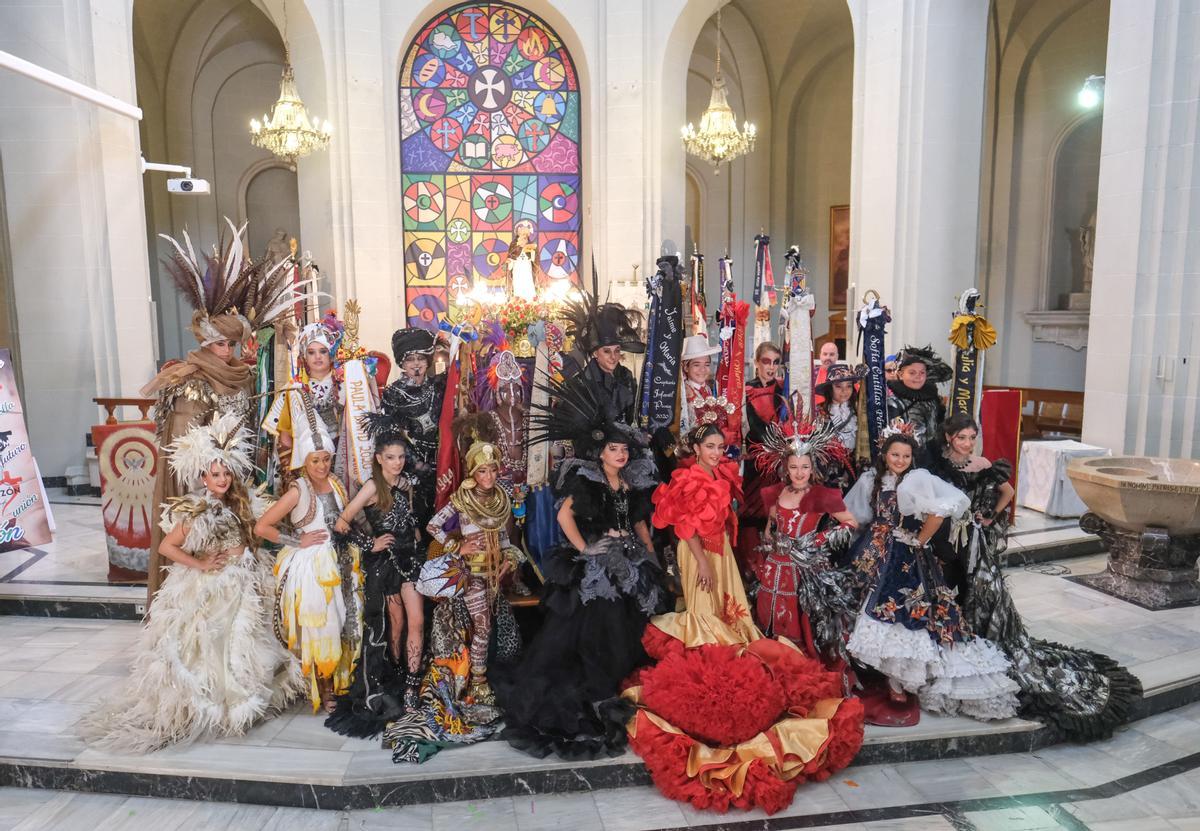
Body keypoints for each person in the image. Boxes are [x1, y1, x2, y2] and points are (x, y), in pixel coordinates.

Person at [624, 417, 864, 815]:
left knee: (730, 616)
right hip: (701, 554)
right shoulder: (688, 480)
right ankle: (705, 689)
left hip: (721, 554)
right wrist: (700, 562)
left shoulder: (719, 475)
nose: (718, 453)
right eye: (711, 447)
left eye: (722, 447)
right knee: (704, 615)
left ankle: (726, 682)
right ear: (696, 450)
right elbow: (684, 529)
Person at [81, 415, 301, 752]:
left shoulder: (242, 504)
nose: (223, 479)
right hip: (213, 584)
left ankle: (245, 702)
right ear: (203, 477)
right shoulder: (195, 509)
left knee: (245, 641)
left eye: (226, 473)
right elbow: (166, 547)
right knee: (213, 643)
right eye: (216, 474)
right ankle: (219, 706)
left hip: (245, 580)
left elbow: (259, 532)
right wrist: (200, 562)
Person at [927, 415, 1141, 741]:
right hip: (948, 540)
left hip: (974, 541)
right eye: (962, 438)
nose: (968, 443)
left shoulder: (981, 463)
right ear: (948, 438)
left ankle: (978, 642)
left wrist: (989, 516)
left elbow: (1007, 491)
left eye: (972, 437)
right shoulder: (939, 465)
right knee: (949, 590)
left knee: (983, 595)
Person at [494, 380, 664, 760]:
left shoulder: (632, 481)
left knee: (632, 624)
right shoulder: (587, 478)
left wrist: (650, 555)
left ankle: (622, 687)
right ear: (600, 452)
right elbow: (563, 514)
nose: (620, 454)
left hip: (630, 561)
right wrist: (586, 547)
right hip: (598, 564)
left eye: (623, 449)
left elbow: (639, 523)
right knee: (596, 631)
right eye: (613, 449)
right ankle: (598, 696)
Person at [843, 425, 1019, 721]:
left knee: (906, 608)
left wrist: (919, 540)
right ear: (885, 454)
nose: (899, 460)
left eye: (906, 455)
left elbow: (941, 512)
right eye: (895, 454)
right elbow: (857, 514)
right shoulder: (871, 479)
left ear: (913, 457)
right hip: (873, 548)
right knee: (864, 602)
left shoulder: (918, 479)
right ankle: (871, 669)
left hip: (906, 552)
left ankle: (899, 675)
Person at [384, 439, 524, 763]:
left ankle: (475, 683)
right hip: (468, 577)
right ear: (474, 473)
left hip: (492, 578)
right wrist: (457, 548)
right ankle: (477, 682)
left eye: (492, 470)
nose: (488, 476)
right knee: (482, 627)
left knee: (482, 632)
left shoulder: (501, 499)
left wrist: (511, 560)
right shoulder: (462, 500)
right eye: (482, 471)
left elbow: (505, 541)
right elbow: (434, 526)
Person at [255, 404, 362, 714]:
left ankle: (344, 682)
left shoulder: (338, 484)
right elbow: (262, 526)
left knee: (347, 623)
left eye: (327, 459)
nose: (322, 466)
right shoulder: (296, 490)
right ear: (305, 461)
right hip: (313, 567)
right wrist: (295, 540)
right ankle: (324, 686)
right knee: (321, 627)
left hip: (342, 559)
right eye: (316, 460)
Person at [325, 432, 423, 737]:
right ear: (379, 458)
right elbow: (341, 525)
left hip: (411, 561)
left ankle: (411, 684)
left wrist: (418, 541)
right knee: (395, 624)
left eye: (401, 457)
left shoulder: (407, 485)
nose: (397, 463)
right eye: (391, 457)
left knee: (417, 621)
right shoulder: (371, 487)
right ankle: (393, 679)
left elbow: (412, 523)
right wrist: (371, 543)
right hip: (385, 565)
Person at [751, 420, 859, 668]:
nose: (799, 472)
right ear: (785, 468)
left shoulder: (822, 496)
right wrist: (770, 535)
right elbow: (772, 523)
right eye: (794, 467)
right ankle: (770, 659)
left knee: (798, 619)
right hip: (773, 567)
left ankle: (794, 661)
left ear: (812, 468)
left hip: (804, 570)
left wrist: (818, 539)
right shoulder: (775, 493)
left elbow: (850, 523)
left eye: (805, 467)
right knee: (767, 611)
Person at [371, 328, 445, 537]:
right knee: (419, 521)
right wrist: (417, 466)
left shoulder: (439, 386)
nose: (416, 364)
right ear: (401, 363)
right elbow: (390, 437)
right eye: (410, 359)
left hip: (442, 460)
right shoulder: (394, 393)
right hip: (409, 467)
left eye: (421, 358)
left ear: (429, 360)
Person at [263, 319, 344, 476]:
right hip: (307, 464)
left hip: (341, 458)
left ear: (332, 354)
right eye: (311, 352)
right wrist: (291, 474)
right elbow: (285, 438)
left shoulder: (345, 384)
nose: (317, 357)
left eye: (323, 351)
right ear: (303, 356)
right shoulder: (293, 390)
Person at [739, 342, 789, 574]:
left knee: (777, 511)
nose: (771, 367)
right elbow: (754, 425)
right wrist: (775, 441)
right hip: (756, 461)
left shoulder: (783, 389)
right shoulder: (746, 390)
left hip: (780, 463)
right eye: (766, 361)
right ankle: (752, 568)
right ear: (757, 362)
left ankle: (775, 569)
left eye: (775, 362)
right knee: (751, 511)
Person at [560, 295, 644, 426]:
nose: (613, 356)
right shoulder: (580, 384)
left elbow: (635, 414)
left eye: (617, 350)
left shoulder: (626, 376)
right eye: (606, 351)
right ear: (595, 353)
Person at [813, 363, 865, 493]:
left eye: (849, 386)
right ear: (830, 388)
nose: (844, 391)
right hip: (828, 472)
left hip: (854, 469)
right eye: (838, 386)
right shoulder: (819, 411)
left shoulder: (858, 411)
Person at [885, 346, 950, 450]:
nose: (918, 376)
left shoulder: (932, 399)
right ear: (901, 375)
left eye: (922, 373)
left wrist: (920, 358)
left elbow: (947, 372)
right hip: (906, 455)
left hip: (933, 454)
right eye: (912, 373)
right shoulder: (894, 402)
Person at [678, 334, 721, 433]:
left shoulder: (709, 389)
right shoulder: (683, 393)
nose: (702, 369)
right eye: (696, 365)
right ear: (686, 367)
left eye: (707, 365)